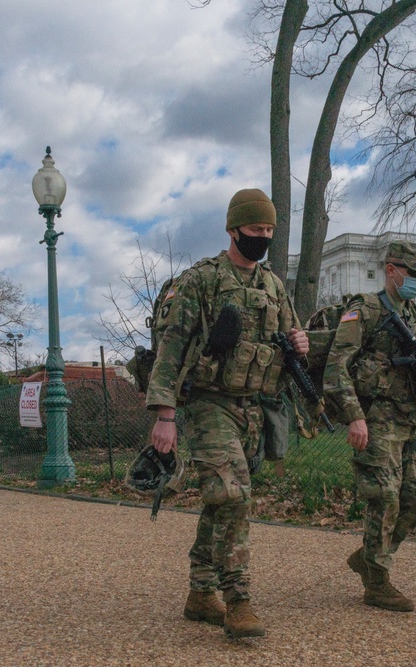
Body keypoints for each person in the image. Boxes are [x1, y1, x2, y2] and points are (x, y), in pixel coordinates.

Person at [145, 188, 312, 638]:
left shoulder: (273, 284)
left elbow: (291, 333)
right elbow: (172, 349)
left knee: (221, 499)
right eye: (256, 229)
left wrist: (300, 343)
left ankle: (201, 593)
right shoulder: (202, 280)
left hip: (253, 408)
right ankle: (238, 600)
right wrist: (164, 416)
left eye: (269, 230)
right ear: (233, 228)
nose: (263, 237)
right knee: (235, 495)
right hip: (208, 404)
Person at [323, 240, 416, 612]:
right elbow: (337, 365)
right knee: (385, 496)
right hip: (379, 419)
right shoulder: (366, 310)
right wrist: (355, 414)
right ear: (391, 270)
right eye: (413, 273)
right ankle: (377, 579)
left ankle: (371, 555)